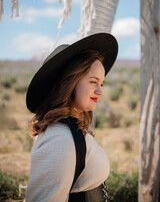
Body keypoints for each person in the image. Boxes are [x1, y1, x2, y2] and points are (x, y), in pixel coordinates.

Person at [25, 33, 118, 202]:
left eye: (101, 83)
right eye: (93, 82)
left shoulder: (69, 130)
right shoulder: (60, 140)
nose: (100, 91)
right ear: (70, 82)